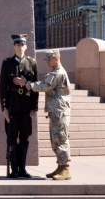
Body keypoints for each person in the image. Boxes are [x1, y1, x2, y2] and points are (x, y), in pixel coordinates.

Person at [16, 49, 72, 180]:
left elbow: (44, 86)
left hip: (60, 111)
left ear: (56, 58)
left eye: (49, 59)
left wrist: (27, 84)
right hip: (56, 111)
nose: (47, 62)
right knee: (56, 139)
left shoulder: (58, 73)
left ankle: (65, 169)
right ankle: (60, 166)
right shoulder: (55, 72)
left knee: (60, 138)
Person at [0, 34, 38, 179]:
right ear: (14, 46)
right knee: (12, 137)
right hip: (13, 106)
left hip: (26, 107)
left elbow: (35, 87)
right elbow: (3, 88)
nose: (20, 48)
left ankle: (22, 169)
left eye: (23, 45)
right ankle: (14, 169)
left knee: (25, 137)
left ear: (26, 46)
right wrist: (5, 108)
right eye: (18, 45)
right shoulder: (7, 63)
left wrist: (34, 107)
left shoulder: (32, 63)